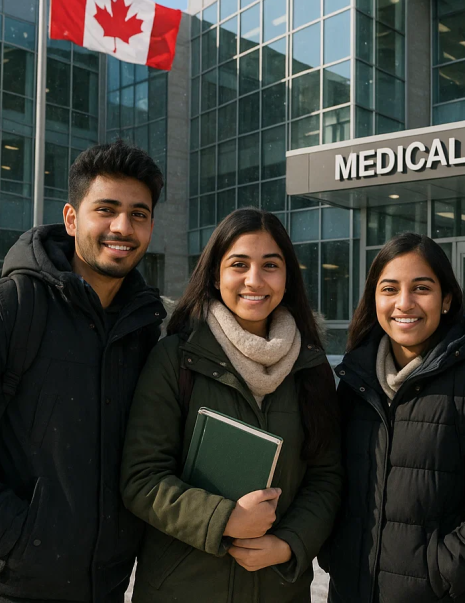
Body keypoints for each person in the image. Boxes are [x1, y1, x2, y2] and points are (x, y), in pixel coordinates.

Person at [0, 140, 167, 603]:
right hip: (6, 591)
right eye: (107, 209)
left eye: (139, 214)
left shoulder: (148, 328)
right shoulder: (2, 308)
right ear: (71, 218)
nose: (123, 226)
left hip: (107, 589)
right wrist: (23, 541)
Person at [120, 208, 341, 603]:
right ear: (215, 274)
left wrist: (288, 544)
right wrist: (224, 519)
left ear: (287, 276)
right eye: (239, 264)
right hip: (182, 588)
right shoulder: (175, 358)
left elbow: (326, 478)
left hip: (278, 588)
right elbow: (141, 479)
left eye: (270, 265)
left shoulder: (311, 366)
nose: (254, 280)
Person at [323, 233, 465, 603]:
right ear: (374, 298)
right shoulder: (355, 382)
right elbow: (333, 482)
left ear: (446, 299)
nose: (404, 303)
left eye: (421, 288)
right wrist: (335, 554)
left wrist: (439, 575)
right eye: (389, 289)